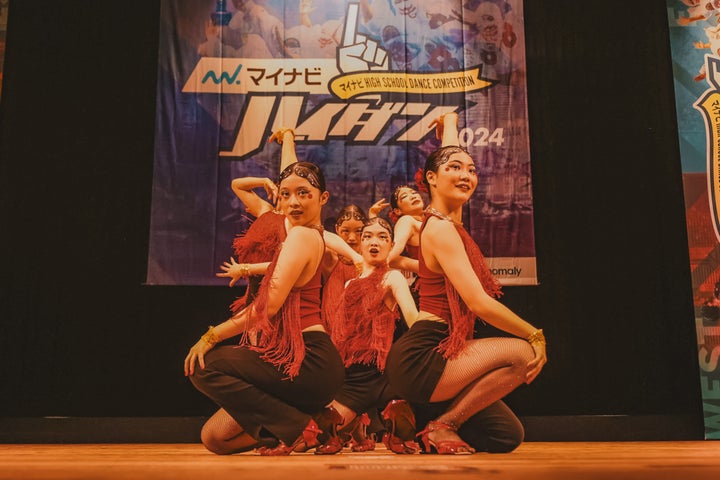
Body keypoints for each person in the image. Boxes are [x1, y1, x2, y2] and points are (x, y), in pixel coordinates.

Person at [384, 119, 547, 454]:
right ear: (431, 178)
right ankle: (443, 426)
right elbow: (478, 303)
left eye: (472, 170)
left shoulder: (449, 223)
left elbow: (450, 164)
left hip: (446, 354)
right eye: (455, 168)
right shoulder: (439, 228)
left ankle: (414, 415)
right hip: (425, 356)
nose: (466, 175)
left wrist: (450, 124)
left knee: (505, 435)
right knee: (523, 354)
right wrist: (535, 334)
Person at [184, 161, 345, 456]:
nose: (293, 202)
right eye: (286, 194)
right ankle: (314, 422)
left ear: (323, 198)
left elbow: (268, 306)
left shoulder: (304, 236)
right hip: (287, 365)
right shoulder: (298, 236)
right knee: (216, 438)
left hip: (308, 361)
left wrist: (211, 336)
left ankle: (300, 428)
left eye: (303, 193)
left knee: (205, 366)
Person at [321, 217, 420, 454]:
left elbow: (413, 320)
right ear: (360, 243)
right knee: (317, 436)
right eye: (367, 237)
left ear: (391, 245)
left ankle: (383, 424)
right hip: (353, 380)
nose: (374, 242)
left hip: (385, 375)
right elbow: (319, 234)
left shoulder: (392, 277)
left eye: (382, 237)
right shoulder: (349, 284)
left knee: (404, 434)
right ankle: (358, 425)